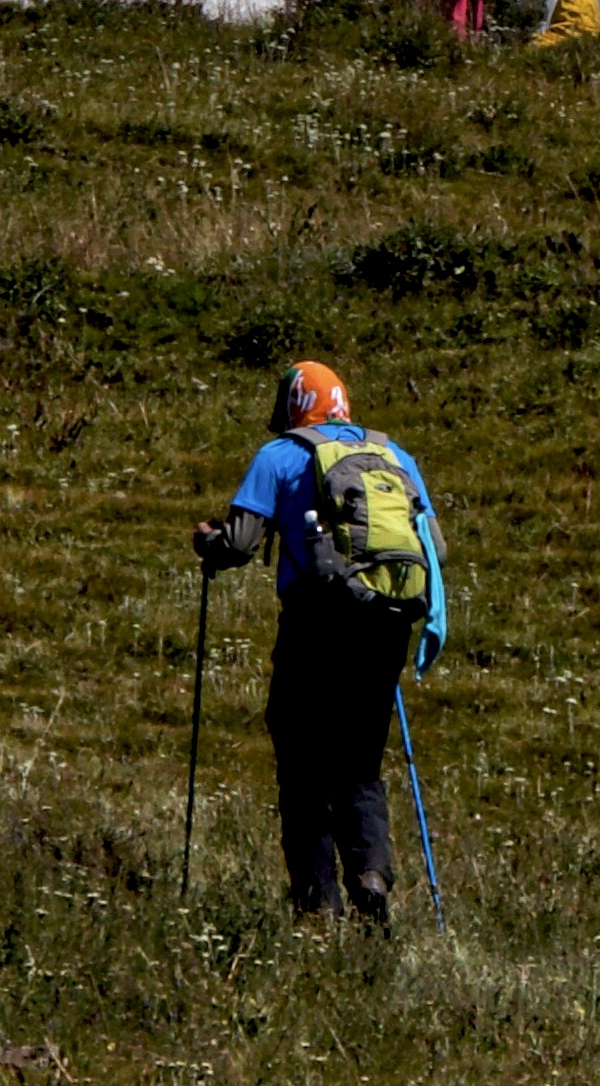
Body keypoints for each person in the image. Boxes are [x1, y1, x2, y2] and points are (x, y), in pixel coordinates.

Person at [187, 362, 451, 925]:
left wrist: (207, 543)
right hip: (385, 624)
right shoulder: (394, 456)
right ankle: (372, 876)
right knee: (360, 759)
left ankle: (318, 907)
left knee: (304, 763)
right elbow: (436, 548)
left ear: (293, 405)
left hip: (316, 625)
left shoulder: (280, 455)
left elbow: (240, 544)